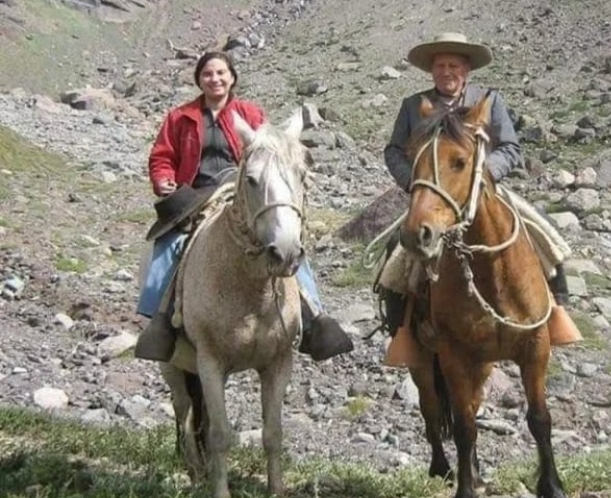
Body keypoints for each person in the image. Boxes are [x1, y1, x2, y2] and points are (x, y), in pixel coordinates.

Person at [135, 50, 353, 363]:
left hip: (242, 191)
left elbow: (271, 155)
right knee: (169, 244)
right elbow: (162, 156)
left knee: (285, 240)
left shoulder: (250, 114)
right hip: (194, 194)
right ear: (199, 79)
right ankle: (159, 319)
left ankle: (314, 315)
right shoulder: (180, 117)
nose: (215, 79)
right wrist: (163, 179)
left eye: (221, 73)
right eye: (208, 74)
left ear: (232, 77)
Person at [381, 31, 576, 347]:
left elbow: (510, 147)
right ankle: (403, 332)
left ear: (466, 70)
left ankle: (557, 309)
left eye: (454, 65)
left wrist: (483, 175)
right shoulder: (413, 106)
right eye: (441, 65)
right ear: (432, 70)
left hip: (483, 191)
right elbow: (393, 151)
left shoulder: (489, 101)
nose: (447, 72)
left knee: (542, 229)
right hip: (434, 196)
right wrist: (413, 182)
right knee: (396, 253)